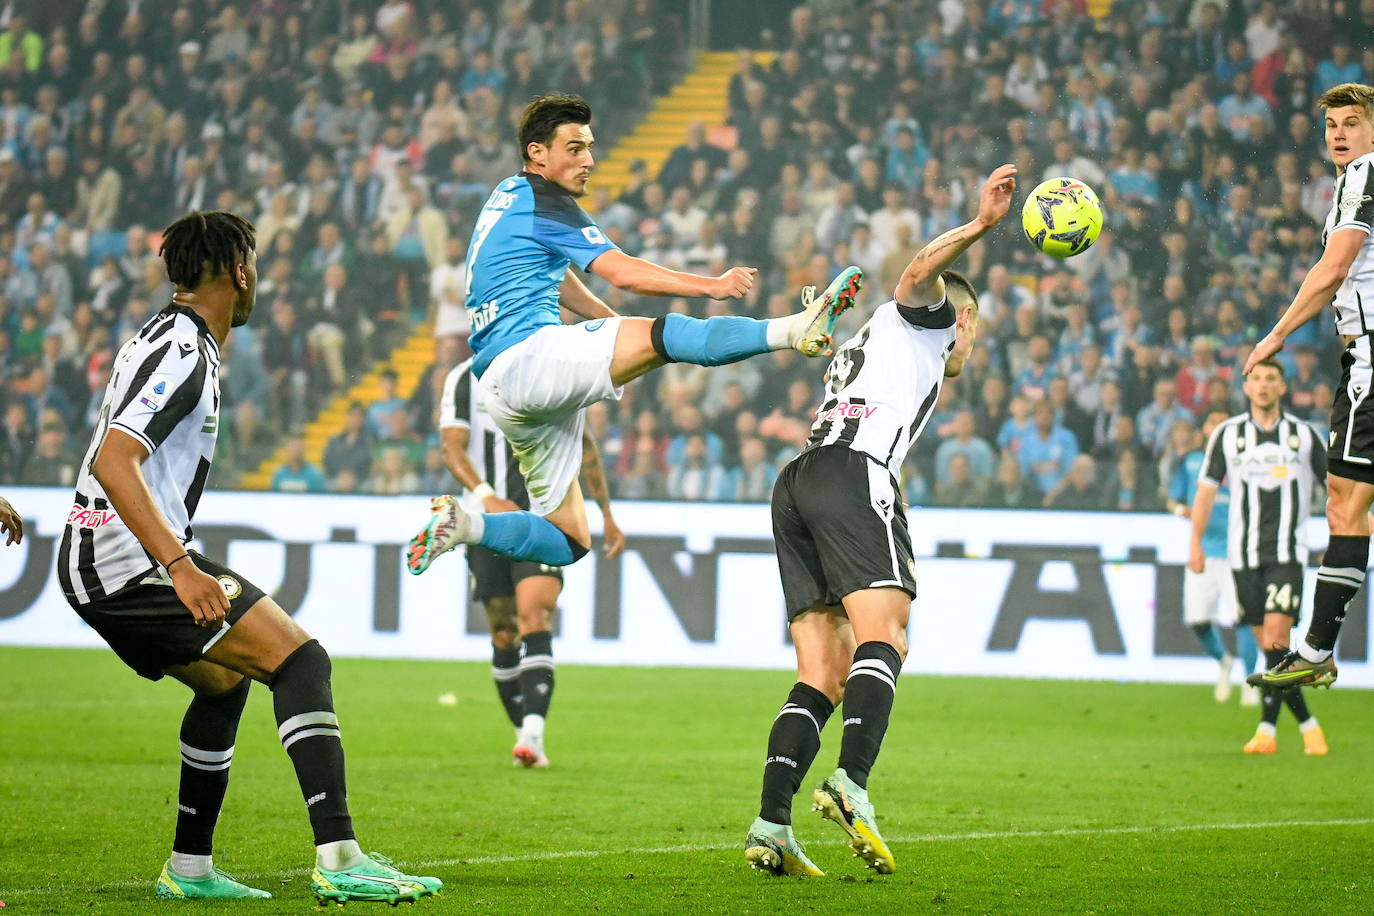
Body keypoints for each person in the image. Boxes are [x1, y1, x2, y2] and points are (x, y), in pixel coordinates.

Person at [65, 211, 440, 904]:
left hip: (105, 555)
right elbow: (117, 462)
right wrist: (180, 566)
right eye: (255, 264)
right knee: (300, 660)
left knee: (222, 683)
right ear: (239, 271)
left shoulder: (165, 338)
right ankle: (340, 854)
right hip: (123, 561)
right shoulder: (181, 352)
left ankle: (189, 869)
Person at [406, 93, 860, 576]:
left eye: (590, 147)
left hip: (502, 388)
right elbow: (622, 272)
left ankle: (464, 526)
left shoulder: (509, 196)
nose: (589, 161)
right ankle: (794, 329)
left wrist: (603, 318)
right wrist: (713, 284)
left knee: (569, 538)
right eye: (575, 148)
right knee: (668, 335)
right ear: (537, 152)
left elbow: (552, 274)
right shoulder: (545, 199)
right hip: (530, 357)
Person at [744, 164, 1016, 877]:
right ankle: (852, 785)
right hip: (855, 474)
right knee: (886, 636)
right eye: (975, 330)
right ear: (963, 318)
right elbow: (917, 273)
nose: (971, 346)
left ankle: (771, 823)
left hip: (799, 479)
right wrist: (981, 225)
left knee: (823, 672)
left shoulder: (871, 346)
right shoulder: (922, 322)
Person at [1245, 83, 1374, 689]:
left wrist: (1277, 335)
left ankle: (1318, 649)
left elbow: (1335, 267)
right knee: (1350, 506)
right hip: (1360, 360)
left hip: (1370, 362)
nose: (1339, 134)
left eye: (1352, 122)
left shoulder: (1364, 177)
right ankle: (1318, 647)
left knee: (1347, 507)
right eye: (1331, 126)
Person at [437, 355, 624, 767]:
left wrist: (606, 513)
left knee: (534, 616)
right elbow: (451, 448)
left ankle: (535, 734)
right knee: (503, 632)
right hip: (485, 522)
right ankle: (525, 733)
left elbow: (585, 447)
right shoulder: (464, 380)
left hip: (544, 519)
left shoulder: (554, 365)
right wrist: (487, 494)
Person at [1189, 361, 1328, 755]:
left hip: (1286, 554)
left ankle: (1266, 730)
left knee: (1276, 639)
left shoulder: (1303, 435)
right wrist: (1194, 543)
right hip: (1242, 558)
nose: (1264, 385)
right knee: (1272, 652)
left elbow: (1333, 486)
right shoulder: (1227, 435)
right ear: (1246, 388)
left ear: (1282, 386)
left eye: (1271, 378)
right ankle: (1308, 725)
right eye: (1257, 379)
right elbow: (1206, 491)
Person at [1167, 411, 1259, 706]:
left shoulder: (1248, 460)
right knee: (1197, 621)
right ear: (1204, 430)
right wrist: (1183, 511)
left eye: (1223, 421)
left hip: (1238, 552)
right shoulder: (1191, 461)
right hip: (1203, 551)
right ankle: (1223, 660)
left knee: (1243, 619)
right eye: (1211, 421)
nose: (1216, 425)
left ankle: (1249, 680)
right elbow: (1172, 498)